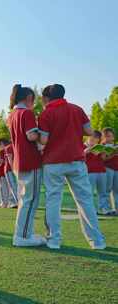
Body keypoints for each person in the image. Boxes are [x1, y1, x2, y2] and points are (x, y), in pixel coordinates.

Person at [38, 84, 106, 250]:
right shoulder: (77, 109)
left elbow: (44, 141)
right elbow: (89, 131)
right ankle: (97, 241)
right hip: (76, 160)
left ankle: (54, 240)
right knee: (85, 200)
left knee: (53, 200)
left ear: (46, 98)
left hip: (53, 162)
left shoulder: (46, 113)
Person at [7, 84, 47, 247]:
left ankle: (24, 234)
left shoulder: (12, 115)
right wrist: (44, 135)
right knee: (31, 200)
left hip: (19, 162)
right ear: (29, 98)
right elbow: (31, 136)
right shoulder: (27, 113)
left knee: (25, 200)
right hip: (30, 161)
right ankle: (23, 236)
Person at [84, 131, 111, 215]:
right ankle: (91, 210)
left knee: (103, 192)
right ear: (88, 136)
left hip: (101, 172)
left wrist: (104, 153)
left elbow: (103, 159)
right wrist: (87, 150)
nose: (93, 138)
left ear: (98, 140)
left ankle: (104, 209)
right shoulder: (83, 145)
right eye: (92, 136)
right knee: (90, 192)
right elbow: (79, 156)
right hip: (90, 172)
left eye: (96, 137)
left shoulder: (100, 147)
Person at [0, 139, 18, 208]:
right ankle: (12, 202)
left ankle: (14, 202)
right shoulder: (13, 147)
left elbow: (8, 159)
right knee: (12, 187)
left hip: (8, 170)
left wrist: (13, 168)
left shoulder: (8, 148)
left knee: (9, 187)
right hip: (10, 170)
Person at [101, 127, 118, 214]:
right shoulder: (102, 146)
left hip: (116, 169)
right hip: (108, 169)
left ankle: (116, 209)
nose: (108, 138)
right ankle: (105, 209)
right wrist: (113, 154)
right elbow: (103, 159)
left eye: (110, 136)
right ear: (103, 137)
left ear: (113, 137)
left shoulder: (115, 145)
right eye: (106, 136)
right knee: (107, 190)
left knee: (117, 190)